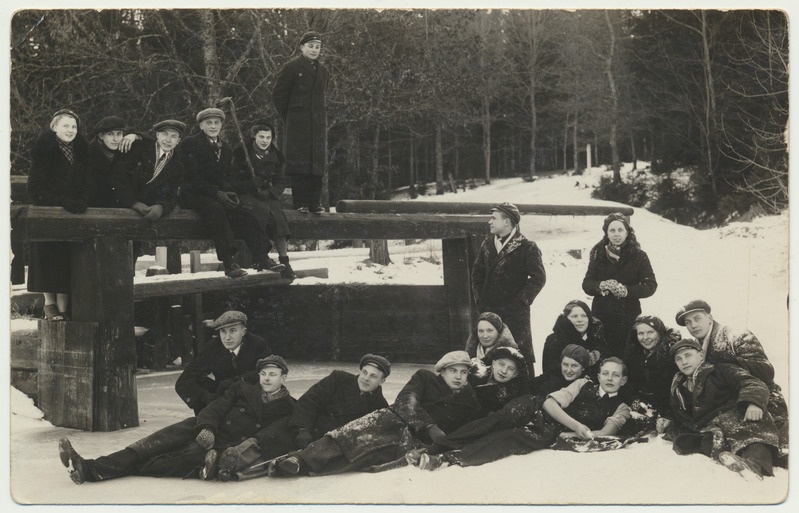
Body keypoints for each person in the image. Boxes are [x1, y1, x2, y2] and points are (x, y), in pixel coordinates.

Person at [58, 355, 296, 484]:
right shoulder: (243, 389)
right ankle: (88, 467)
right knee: (147, 446)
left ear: (283, 378)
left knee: (163, 462)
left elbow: (273, 437)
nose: (266, 378)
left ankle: (93, 470)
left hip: (223, 449)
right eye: (263, 373)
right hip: (202, 428)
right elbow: (215, 407)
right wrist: (207, 427)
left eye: (272, 374)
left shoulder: (290, 407)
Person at [267, 350, 482, 477]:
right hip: (394, 419)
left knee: (365, 456)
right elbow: (407, 399)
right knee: (351, 435)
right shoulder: (425, 378)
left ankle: (303, 470)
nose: (458, 377)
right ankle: (299, 459)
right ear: (442, 371)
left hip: (415, 442)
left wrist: (439, 444)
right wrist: (429, 425)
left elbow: (471, 428)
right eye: (453, 371)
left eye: (463, 372)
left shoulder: (469, 399)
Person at [413, 357, 631, 470]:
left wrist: (574, 434)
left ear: (623, 380)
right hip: (534, 405)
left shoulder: (622, 407)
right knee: (496, 420)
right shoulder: (583, 383)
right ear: (599, 374)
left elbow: (605, 432)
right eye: (605, 373)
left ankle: (443, 459)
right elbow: (550, 404)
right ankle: (435, 446)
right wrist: (578, 427)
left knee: (505, 438)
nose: (609, 378)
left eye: (615, 375)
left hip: (549, 430)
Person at [227, 353, 391, 481]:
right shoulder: (339, 379)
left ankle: (237, 475)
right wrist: (303, 429)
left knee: (283, 460)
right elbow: (308, 401)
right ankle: (231, 459)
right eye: (364, 372)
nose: (366, 378)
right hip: (304, 423)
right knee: (270, 438)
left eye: (373, 376)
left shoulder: (379, 406)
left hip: (323, 442)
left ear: (382, 380)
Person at [674, 299, 788, 452]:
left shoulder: (736, 335)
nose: (693, 325)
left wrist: (724, 363)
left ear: (709, 318)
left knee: (766, 442)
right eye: (688, 322)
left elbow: (766, 371)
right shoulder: (694, 347)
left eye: (697, 318)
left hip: (760, 400)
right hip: (726, 407)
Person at [661, 338, 780, 479]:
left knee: (752, 434)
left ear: (700, 355)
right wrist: (669, 423)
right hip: (712, 428)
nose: (684, 362)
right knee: (688, 441)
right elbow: (683, 416)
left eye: (688, 355)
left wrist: (753, 402)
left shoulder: (720, 369)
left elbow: (752, 383)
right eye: (679, 359)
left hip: (738, 419)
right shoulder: (678, 387)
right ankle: (733, 458)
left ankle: (754, 465)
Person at [180, 108, 279, 278]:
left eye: (216, 123)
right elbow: (191, 178)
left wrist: (231, 192)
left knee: (244, 212)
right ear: (201, 125)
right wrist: (217, 193)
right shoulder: (190, 144)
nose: (213, 126)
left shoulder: (225, 148)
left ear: (221, 125)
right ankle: (229, 262)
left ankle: (262, 256)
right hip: (193, 195)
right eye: (209, 123)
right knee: (215, 209)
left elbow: (227, 178)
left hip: (218, 195)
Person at [27, 109, 93, 321]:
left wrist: (83, 199)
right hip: (50, 211)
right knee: (49, 257)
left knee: (67, 260)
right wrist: (64, 201)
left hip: (73, 214)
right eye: (65, 125)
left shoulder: (82, 151)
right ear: (54, 127)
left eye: (74, 126)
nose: (70, 130)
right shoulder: (44, 151)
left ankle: (64, 309)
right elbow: (36, 189)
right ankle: (50, 305)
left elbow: (88, 181)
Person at [471, 202, 546, 378]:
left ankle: (526, 393)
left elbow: (538, 278)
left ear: (507, 221)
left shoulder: (527, 246)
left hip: (515, 315)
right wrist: (480, 300)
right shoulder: (488, 244)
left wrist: (521, 301)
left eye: (493, 218)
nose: (490, 222)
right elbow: (477, 273)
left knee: (519, 354)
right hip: (490, 312)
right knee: (488, 354)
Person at [582, 212, 658, 357]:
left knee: (628, 356)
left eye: (620, 230)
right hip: (601, 316)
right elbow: (587, 284)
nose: (616, 234)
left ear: (627, 232)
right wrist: (601, 285)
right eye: (612, 230)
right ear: (606, 233)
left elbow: (651, 285)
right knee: (602, 355)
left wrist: (627, 291)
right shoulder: (598, 254)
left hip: (628, 316)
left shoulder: (639, 255)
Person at [272, 31, 329, 214]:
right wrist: (291, 117)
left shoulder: (324, 71)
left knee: (316, 163)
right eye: (310, 46)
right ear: (302, 47)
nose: (314, 50)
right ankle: (301, 203)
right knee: (299, 163)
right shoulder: (291, 67)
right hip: (298, 125)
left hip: (317, 125)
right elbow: (278, 95)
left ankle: (315, 203)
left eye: (317, 47)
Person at [230, 120, 296, 279]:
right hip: (248, 195)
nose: (265, 140)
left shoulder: (277, 157)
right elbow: (232, 182)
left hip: (267, 195)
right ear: (254, 137)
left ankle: (284, 261)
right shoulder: (241, 153)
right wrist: (250, 185)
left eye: (268, 137)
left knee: (277, 218)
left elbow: (281, 182)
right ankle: (260, 258)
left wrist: (270, 192)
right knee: (258, 214)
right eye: (261, 137)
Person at [175, 310, 272, 415]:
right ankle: (207, 419)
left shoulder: (258, 344)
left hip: (251, 397)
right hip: (223, 397)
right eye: (223, 331)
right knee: (195, 379)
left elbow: (269, 371)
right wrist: (208, 399)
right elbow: (186, 378)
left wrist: (239, 381)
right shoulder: (213, 347)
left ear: (243, 331)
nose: (227, 337)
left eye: (232, 330)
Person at [112, 119, 186, 223]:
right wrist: (133, 203)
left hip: (149, 212)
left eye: (173, 136)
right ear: (157, 135)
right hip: (122, 205)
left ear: (178, 141)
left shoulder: (178, 166)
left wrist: (162, 207)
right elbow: (119, 177)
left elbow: (172, 195)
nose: (168, 140)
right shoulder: (139, 148)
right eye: (165, 134)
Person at [622, 315, 680, 416]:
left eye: (650, 332)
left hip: (667, 410)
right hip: (640, 407)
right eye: (641, 333)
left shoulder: (671, 355)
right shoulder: (636, 354)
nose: (645, 338)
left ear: (660, 333)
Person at [541, 300, 608, 381]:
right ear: (566, 319)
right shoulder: (554, 339)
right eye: (574, 316)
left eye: (584, 316)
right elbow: (549, 369)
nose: (580, 320)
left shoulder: (595, 338)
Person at [86, 116, 140, 207]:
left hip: (125, 209)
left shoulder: (127, 150)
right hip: (96, 209)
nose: (115, 139)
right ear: (101, 136)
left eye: (119, 134)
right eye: (110, 134)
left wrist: (135, 136)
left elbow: (149, 143)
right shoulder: (89, 154)